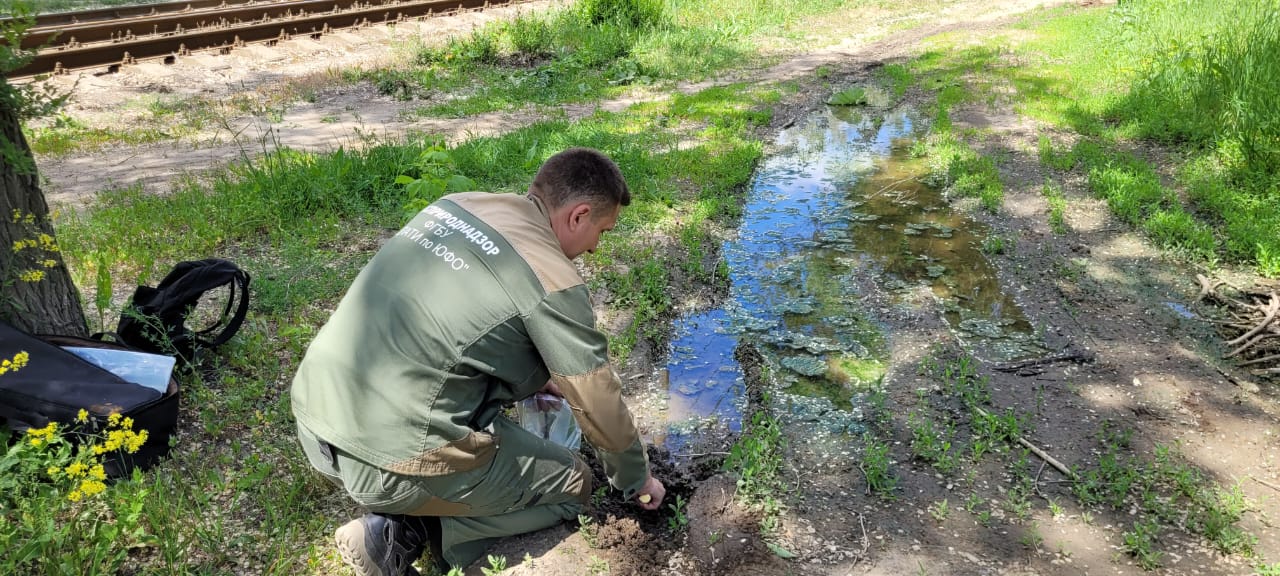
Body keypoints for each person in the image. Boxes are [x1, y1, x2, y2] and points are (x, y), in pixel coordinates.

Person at [290, 147, 666, 576]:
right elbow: (598, 402)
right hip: (384, 457)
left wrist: (535, 380)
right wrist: (637, 479)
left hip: (315, 416)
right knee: (575, 485)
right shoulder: (550, 277)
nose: (597, 248)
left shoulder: (456, 206)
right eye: (603, 230)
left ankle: (406, 506)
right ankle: (402, 534)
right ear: (578, 216)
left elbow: (450, 325)